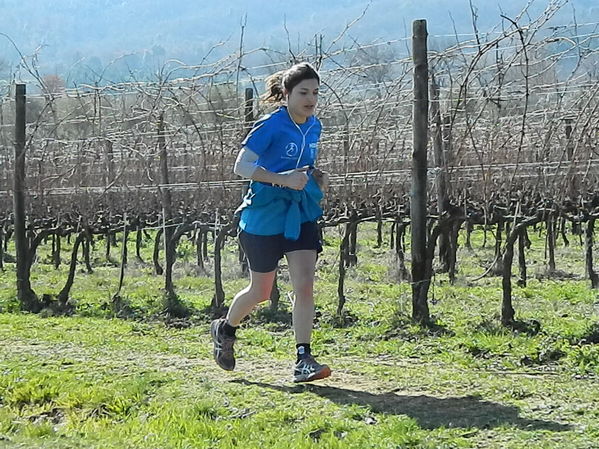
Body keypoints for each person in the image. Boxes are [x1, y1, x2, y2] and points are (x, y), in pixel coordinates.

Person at [210, 62, 331, 383]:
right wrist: (281, 180)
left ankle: (303, 359)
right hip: (263, 214)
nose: (310, 99)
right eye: (303, 92)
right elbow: (242, 166)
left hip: (300, 212)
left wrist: (314, 177)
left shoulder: (314, 126)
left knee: (304, 285)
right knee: (261, 292)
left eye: (315, 93)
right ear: (287, 94)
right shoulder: (271, 125)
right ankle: (225, 329)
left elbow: (303, 167)